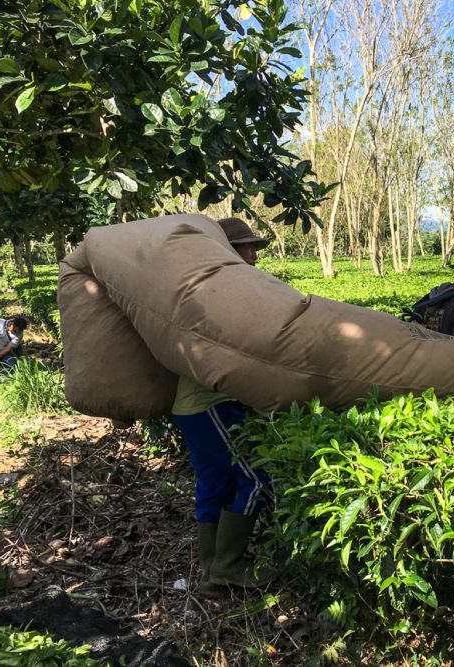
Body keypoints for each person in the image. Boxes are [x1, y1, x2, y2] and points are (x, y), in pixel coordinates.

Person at [172, 217, 274, 597]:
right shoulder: (224, 292)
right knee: (257, 479)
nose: (254, 257)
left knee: (216, 482)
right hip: (210, 403)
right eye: (248, 248)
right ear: (231, 252)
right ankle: (229, 566)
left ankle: (211, 574)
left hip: (191, 406)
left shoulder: (206, 290)